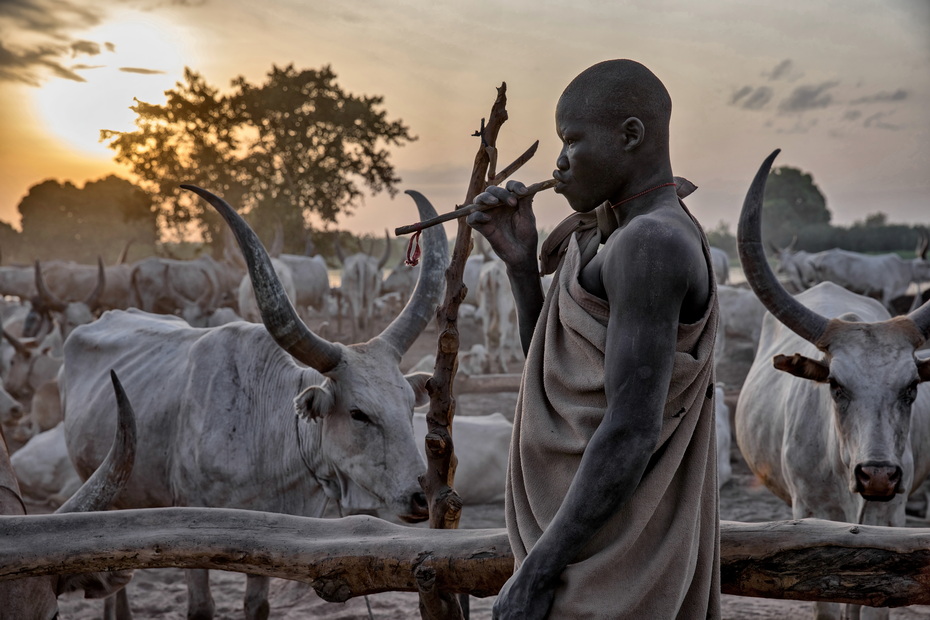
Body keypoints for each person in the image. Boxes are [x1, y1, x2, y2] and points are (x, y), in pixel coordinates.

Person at [467, 59, 720, 619]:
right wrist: (519, 265)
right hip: (577, 540)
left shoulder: (649, 244)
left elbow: (630, 429)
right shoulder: (609, 238)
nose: (558, 163)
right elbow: (556, 370)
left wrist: (535, 574)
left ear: (631, 136)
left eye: (571, 141)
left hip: (612, 562)